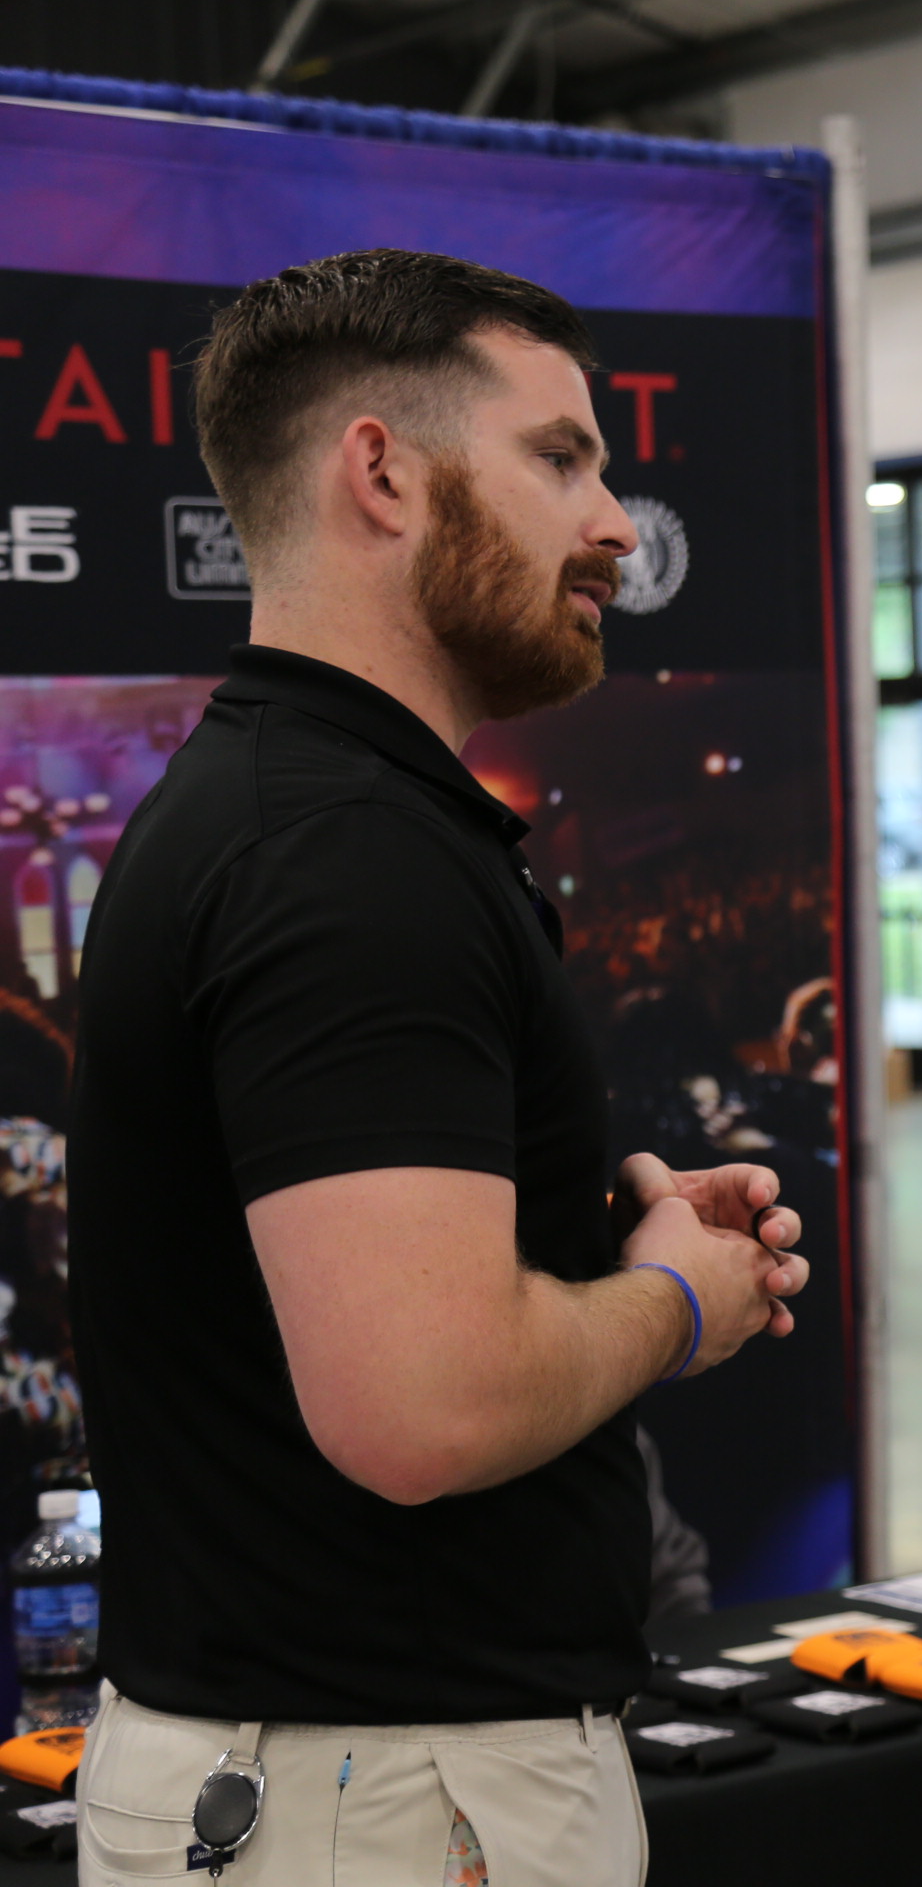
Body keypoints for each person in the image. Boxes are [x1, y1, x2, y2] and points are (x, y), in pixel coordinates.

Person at [63, 250, 809, 1885]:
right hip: (386, 1802)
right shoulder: (347, 856)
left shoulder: (299, 818)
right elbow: (425, 1403)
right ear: (383, 474)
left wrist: (584, 1248)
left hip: (344, 1781)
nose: (617, 523)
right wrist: (678, 1299)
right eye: (560, 458)